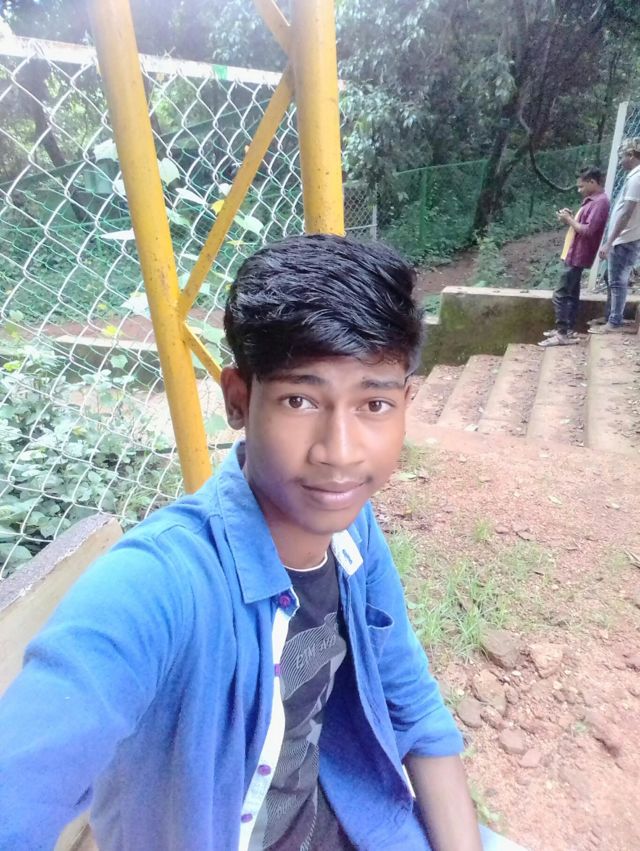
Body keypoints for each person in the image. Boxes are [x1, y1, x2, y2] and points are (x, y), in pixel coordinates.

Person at [0, 236, 525, 851]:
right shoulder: (158, 584)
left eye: (374, 403)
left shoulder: (353, 532)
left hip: (358, 820)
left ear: (406, 402)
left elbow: (410, 702)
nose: (340, 451)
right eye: (300, 400)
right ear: (238, 400)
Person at [538, 167, 609, 348]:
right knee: (571, 293)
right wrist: (570, 217)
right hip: (573, 252)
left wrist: (569, 220)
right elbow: (582, 225)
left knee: (560, 294)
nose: (579, 190)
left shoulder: (600, 202)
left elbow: (588, 230)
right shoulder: (592, 200)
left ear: (592, 182)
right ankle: (566, 329)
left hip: (578, 254)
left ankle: (562, 333)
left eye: (581, 186)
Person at [588, 137, 640, 334]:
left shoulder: (636, 178)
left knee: (618, 280)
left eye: (622, 157)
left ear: (631, 155)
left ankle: (614, 321)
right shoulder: (634, 176)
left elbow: (627, 213)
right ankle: (611, 315)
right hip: (625, 237)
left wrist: (609, 242)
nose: (620, 162)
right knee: (610, 277)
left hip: (625, 238)